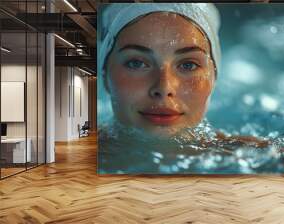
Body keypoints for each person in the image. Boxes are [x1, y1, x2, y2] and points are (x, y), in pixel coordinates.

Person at [98, 3, 271, 173]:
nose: (164, 88)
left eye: (188, 65)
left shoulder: (260, 157)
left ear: (214, 78)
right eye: (136, 63)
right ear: (105, 76)